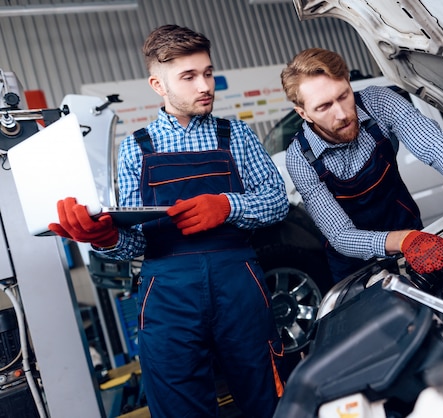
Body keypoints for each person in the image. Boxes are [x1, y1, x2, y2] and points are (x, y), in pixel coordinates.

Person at [49, 24, 289, 418]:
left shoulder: (237, 135)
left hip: (239, 283)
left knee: (267, 396)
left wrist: (229, 206)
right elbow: (135, 242)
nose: (205, 85)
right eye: (189, 77)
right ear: (158, 85)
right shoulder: (136, 149)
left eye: (208, 73)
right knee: (178, 404)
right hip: (167, 290)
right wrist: (106, 237)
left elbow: (277, 202)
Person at [280, 48, 443, 283]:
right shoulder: (299, 157)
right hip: (354, 262)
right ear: (303, 113)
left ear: (349, 83)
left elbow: (438, 149)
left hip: (413, 233)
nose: (341, 114)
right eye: (324, 107)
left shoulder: (378, 103)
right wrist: (404, 240)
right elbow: (340, 234)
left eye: (343, 96)